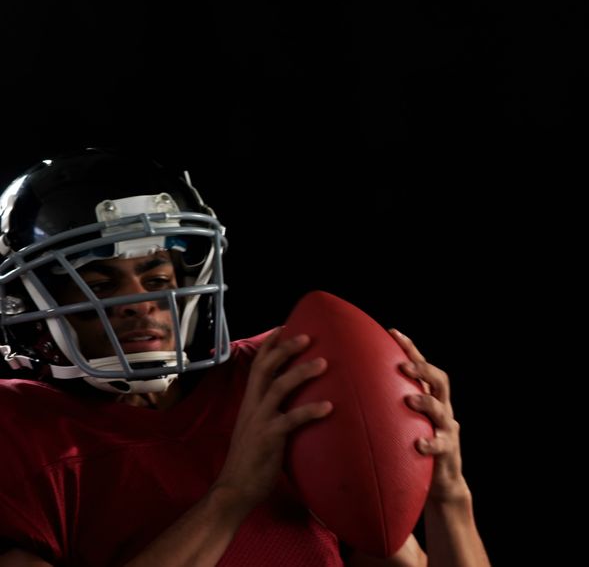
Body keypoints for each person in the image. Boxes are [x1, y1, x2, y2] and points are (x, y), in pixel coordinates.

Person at [0, 148, 490, 566]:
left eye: (157, 280)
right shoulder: (20, 426)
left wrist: (449, 496)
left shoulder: (276, 375)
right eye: (101, 285)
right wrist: (231, 496)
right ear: (29, 308)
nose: (139, 304)